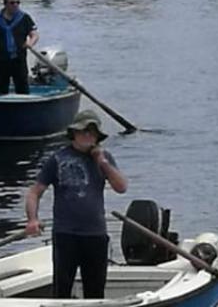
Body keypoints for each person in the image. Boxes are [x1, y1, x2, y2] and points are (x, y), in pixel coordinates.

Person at [25, 109, 129, 299]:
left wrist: (102, 162)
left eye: (92, 131)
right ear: (74, 133)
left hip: (95, 234)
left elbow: (121, 187)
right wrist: (33, 219)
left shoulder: (105, 158)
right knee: (62, 290)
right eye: (83, 131)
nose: (87, 135)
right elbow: (35, 192)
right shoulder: (57, 159)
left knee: (96, 292)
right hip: (66, 235)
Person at [0, 0, 38, 95]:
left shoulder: (24, 18)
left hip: (19, 59)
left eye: (18, 2)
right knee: (1, 88)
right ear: (5, 4)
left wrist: (30, 43)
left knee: (22, 88)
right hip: (2, 60)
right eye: (12, 3)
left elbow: (34, 34)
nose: (16, 5)